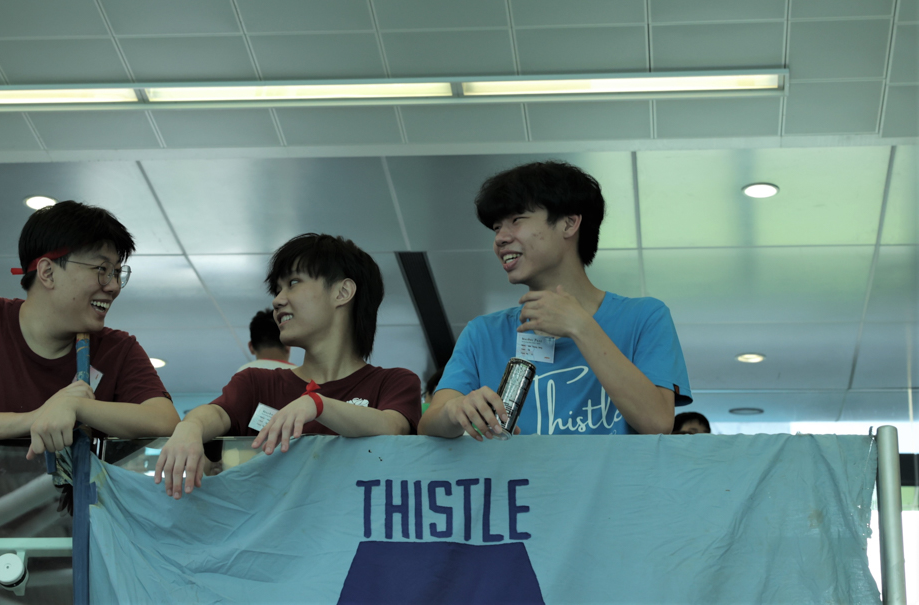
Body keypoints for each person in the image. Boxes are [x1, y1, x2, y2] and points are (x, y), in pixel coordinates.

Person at [418, 161, 691, 440]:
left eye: (517, 219)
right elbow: (428, 425)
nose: (500, 238)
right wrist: (453, 410)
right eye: (497, 228)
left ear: (569, 223)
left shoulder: (645, 317)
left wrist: (580, 326)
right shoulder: (483, 333)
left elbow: (658, 422)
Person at [0, 201, 179, 458]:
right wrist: (36, 417)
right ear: (47, 273)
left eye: (117, 272)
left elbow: (165, 421)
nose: (113, 286)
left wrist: (76, 406)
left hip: (69, 499)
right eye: (101, 269)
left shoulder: (117, 350)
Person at [154, 233, 421, 499]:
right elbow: (217, 414)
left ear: (342, 292)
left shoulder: (393, 383)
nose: (277, 300)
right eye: (277, 289)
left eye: (293, 283)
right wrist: (190, 427)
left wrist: (317, 404)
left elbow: (393, 427)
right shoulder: (257, 383)